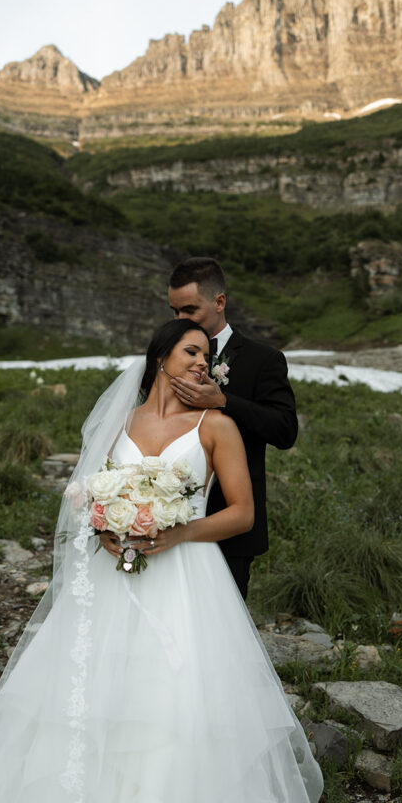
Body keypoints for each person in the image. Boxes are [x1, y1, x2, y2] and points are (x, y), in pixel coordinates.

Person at [0, 319, 338, 803]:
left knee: (175, 708)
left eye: (207, 355)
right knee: (80, 702)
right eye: (191, 352)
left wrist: (178, 532)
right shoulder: (120, 421)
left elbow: (241, 513)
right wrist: (108, 526)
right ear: (160, 357)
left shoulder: (217, 424)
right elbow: (91, 494)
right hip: (109, 583)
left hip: (187, 582)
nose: (202, 363)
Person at [167, 256, 298, 600]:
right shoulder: (168, 357)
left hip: (231, 520)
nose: (180, 321)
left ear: (219, 302)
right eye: (174, 311)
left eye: (190, 310)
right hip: (169, 514)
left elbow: (285, 431)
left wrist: (224, 401)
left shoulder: (263, 359)